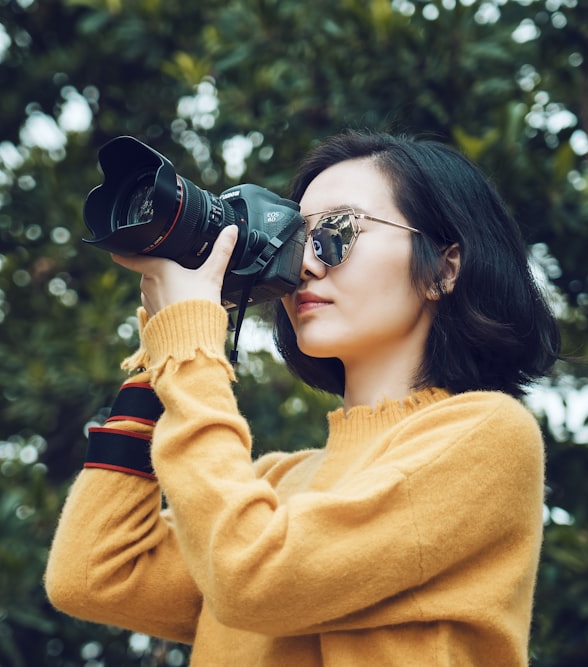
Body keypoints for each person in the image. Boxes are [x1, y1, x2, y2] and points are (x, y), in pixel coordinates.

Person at [45, 130, 561, 666]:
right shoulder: (273, 486)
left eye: (338, 232)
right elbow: (95, 574)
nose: (306, 266)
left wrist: (193, 354)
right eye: (296, 239)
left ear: (445, 267)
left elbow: (252, 578)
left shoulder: (487, 436)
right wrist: (164, 354)